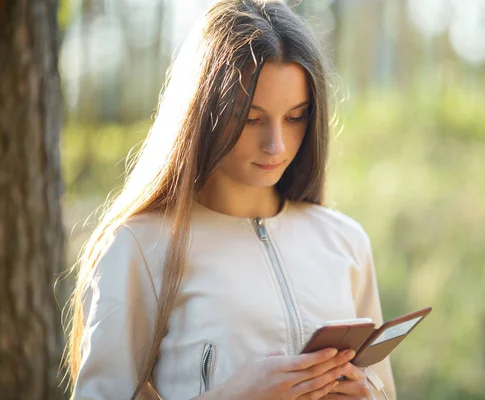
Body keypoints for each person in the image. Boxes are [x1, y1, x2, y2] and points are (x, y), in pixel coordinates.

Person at [64, 0, 396, 399]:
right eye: (252, 118)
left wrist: (367, 394)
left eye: (295, 117)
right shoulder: (140, 247)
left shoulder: (345, 241)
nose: (276, 145)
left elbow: (386, 391)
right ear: (204, 112)